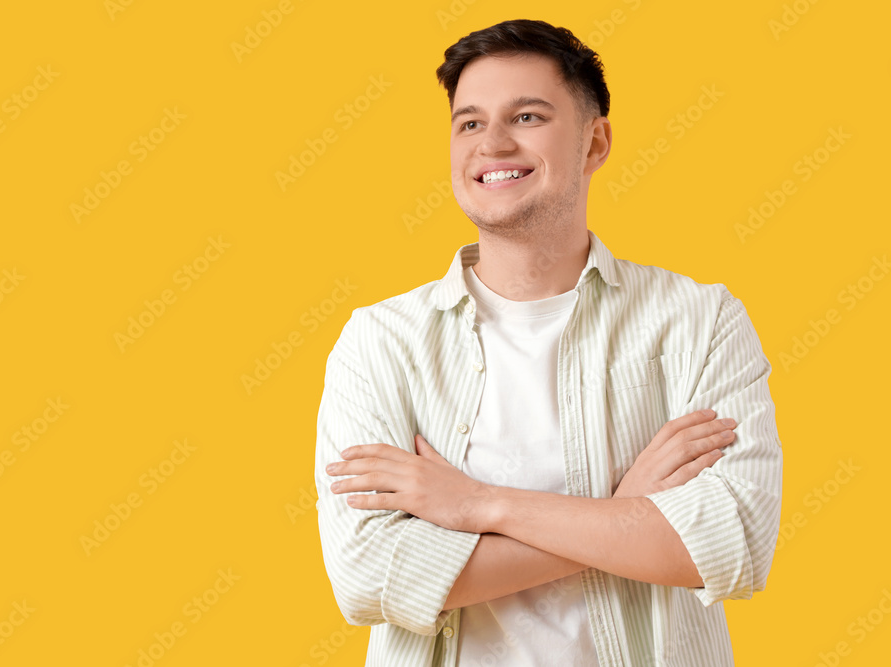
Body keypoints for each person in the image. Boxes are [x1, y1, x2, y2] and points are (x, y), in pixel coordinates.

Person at [314, 19, 782, 667]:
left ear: (596, 141)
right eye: (470, 123)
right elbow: (370, 575)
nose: (492, 144)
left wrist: (479, 505)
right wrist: (623, 515)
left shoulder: (699, 321)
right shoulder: (382, 341)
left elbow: (733, 542)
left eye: (527, 116)